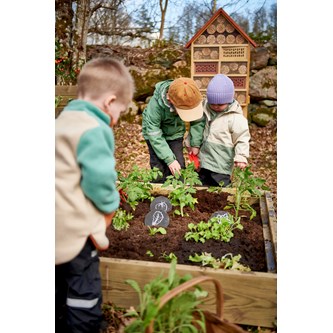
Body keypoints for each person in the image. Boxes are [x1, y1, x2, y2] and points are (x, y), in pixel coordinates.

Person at [55, 57, 134, 333]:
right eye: (121, 111)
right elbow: (100, 180)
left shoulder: (60, 122)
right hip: (74, 231)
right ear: (109, 102)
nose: (117, 118)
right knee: (83, 289)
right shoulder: (94, 129)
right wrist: (111, 204)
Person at [188, 74, 250, 187]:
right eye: (213, 103)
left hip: (222, 163)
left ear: (229, 100)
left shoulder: (235, 118)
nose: (216, 106)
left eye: (220, 104)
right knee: (200, 187)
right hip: (204, 161)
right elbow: (196, 127)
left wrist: (241, 156)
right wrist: (192, 143)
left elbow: (242, 138)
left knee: (221, 189)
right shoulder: (204, 110)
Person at [141, 77, 205, 182]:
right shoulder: (155, 107)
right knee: (159, 168)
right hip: (154, 136)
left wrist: (195, 143)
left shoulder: (189, 96)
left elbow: (197, 121)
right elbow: (154, 133)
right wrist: (169, 160)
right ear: (169, 99)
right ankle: (159, 191)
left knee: (179, 166)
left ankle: (178, 191)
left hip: (175, 133)